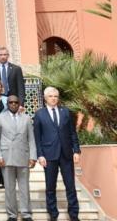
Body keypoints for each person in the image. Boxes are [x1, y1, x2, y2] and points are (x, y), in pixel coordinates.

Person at [34, 86, 81, 221]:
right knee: (50, 187)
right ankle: (53, 214)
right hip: (49, 155)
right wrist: (40, 155)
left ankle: (74, 215)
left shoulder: (65, 112)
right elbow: (37, 137)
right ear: (45, 98)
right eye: (51, 96)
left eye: (55, 96)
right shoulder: (39, 114)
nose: (53, 98)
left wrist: (76, 150)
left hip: (66, 155)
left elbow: (73, 133)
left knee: (70, 186)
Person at [0, 95, 36, 221]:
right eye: (10, 102)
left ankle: (26, 213)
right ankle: (12, 214)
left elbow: (31, 139)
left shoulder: (27, 118)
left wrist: (33, 156)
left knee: (24, 187)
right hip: (6, 157)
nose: (13, 104)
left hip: (23, 156)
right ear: (7, 104)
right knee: (9, 188)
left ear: (19, 104)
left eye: (15, 102)